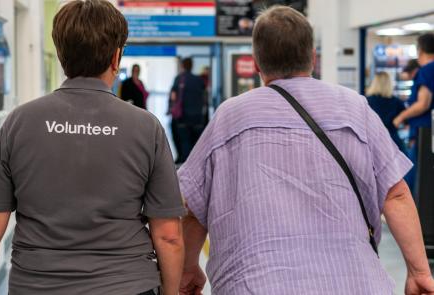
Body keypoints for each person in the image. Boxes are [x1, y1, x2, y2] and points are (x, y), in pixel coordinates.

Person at [178, 6, 434, 295]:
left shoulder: (229, 117)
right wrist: (419, 271)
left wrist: (188, 269)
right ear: (313, 58)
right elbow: (396, 194)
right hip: (355, 283)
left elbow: (194, 208)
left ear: (257, 65)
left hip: (256, 284)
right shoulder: (355, 108)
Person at [0, 1, 186, 294]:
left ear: (61, 54)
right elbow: (169, 235)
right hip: (126, 284)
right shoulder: (146, 127)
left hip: (37, 285)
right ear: (116, 56)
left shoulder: (20, 122)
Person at [393, 33, 434, 196]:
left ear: (420, 50)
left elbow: (423, 103)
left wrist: (401, 117)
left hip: (422, 132)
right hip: (428, 133)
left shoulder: (426, 70)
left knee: (415, 179)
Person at [170, 58, 206, 163]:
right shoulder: (199, 80)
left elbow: (173, 96)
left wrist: (172, 108)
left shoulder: (179, 79)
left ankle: (185, 166)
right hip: (197, 117)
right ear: (192, 66)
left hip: (183, 117)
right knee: (196, 144)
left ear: (183, 66)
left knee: (184, 142)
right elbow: (204, 96)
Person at [366, 72, 406, 152]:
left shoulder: (366, 101)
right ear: (389, 84)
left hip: (372, 140)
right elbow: (406, 123)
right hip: (392, 140)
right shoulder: (396, 102)